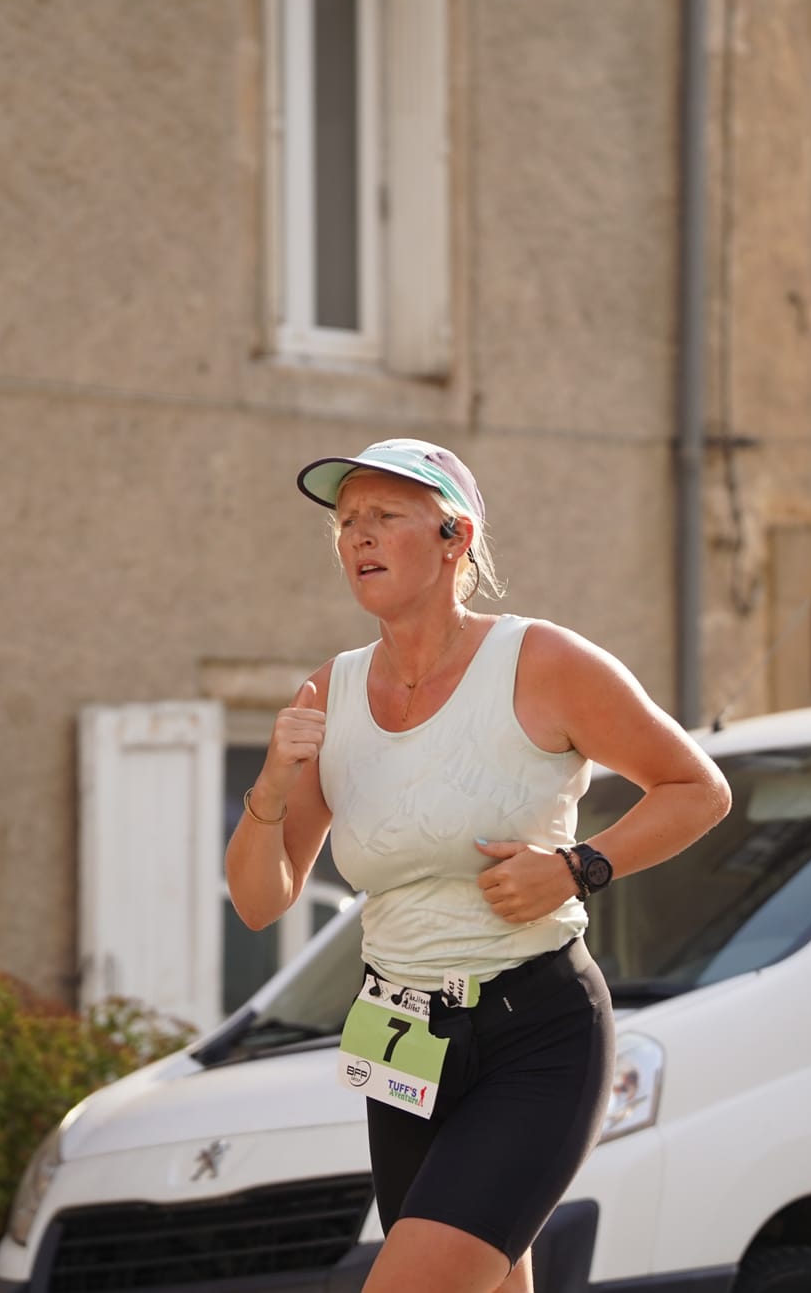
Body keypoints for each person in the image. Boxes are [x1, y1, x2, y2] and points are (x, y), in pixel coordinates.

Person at [224, 437, 731, 1293]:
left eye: (386, 516)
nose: (359, 537)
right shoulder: (330, 694)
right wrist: (270, 788)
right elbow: (259, 900)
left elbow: (697, 787)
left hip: (534, 1031)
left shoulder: (543, 662)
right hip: (402, 1042)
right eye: (347, 522)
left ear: (455, 537)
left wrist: (580, 867)